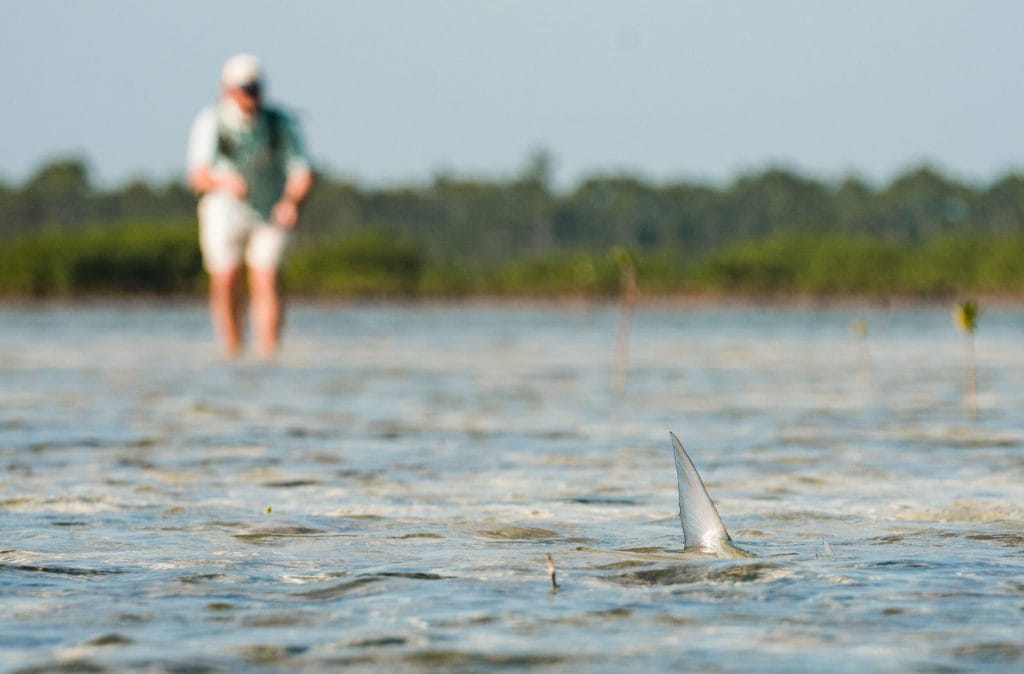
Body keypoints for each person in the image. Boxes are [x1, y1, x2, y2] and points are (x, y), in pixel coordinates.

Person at [187, 53, 313, 358]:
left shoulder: (279, 123)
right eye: (244, 88)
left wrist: (291, 201)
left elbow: (302, 171)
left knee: (266, 275)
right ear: (228, 90)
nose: (251, 95)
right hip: (223, 210)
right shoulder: (211, 121)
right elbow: (198, 176)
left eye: (255, 88)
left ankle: (268, 354)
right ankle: (232, 351)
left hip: (270, 209)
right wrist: (225, 183)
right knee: (225, 277)